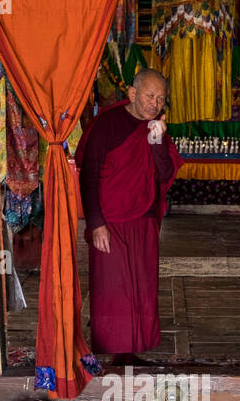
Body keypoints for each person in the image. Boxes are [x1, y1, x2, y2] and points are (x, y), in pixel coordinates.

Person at [75, 69, 182, 366]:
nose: (155, 104)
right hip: (110, 221)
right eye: (150, 96)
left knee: (141, 286)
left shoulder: (155, 128)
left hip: (143, 217)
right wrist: (96, 223)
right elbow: (90, 176)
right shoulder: (107, 124)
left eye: (161, 98)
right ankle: (113, 348)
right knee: (113, 288)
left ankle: (129, 351)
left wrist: (158, 141)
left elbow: (164, 174)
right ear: (133, 94)